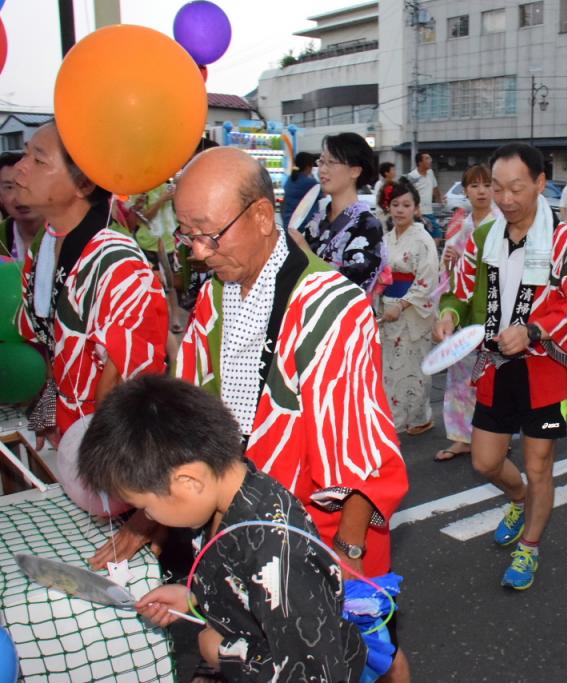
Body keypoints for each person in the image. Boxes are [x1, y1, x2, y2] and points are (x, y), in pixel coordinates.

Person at [90, 147, 411, 681]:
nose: (196, 252)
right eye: (187, 236)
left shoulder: (332, 308)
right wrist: (149, 515)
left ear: (263, 216)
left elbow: (362, 462)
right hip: (240, 528)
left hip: (321, 538)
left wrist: (344, 564)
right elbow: (186, 419)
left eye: (207, 235)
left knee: (369, 658)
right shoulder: (216, 296)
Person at [78, 375, 368, 682]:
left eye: (146, 507)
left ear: (188, 482)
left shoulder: (279, 557)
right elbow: (238, 580)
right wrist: (194, 595)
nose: (150, 516)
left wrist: (221, 652)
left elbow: (315, 674)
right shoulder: (221, 500)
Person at [435, 142, 567, 591]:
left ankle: (530, 546)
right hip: (495, 364)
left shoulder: (563, 242)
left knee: (539, 463)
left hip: (543, 368)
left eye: (516, 188)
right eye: (498, 188)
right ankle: (519, 498)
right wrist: (448, 312)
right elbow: (460, 288)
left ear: (541, 184)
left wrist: (534, 330)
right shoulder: (485, 237)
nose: (505, 199)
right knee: (486, 462)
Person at [14, 122, 168, 439]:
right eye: (25, 154)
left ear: (82, 184)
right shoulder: (45, 241)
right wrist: (47, 412)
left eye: (39, 160)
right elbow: (47, 344)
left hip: (104, 441)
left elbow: (123, 383)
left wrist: (92, 459)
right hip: (67, 427)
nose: (20, 167)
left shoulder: (117, 262)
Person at [436, 164, 498, 462]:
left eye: (487, 184)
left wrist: (469, 260)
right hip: (463, 311)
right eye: (474, 185)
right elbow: (449, 279)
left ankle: (495, 437)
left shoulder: (502, 224)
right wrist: (451, 263)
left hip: (494, 313)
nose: (482, 191)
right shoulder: (459, 227)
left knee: (493, 380)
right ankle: (461, 437)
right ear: (466, 190)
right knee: (459, 378)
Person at [378, 179, 439, 435]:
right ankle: (393, 416)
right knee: (390, 366)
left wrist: (402, 304)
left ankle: (418, 417)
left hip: (411, 310)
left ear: (416, 208)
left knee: (413, 367)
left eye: (406, 205)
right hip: (387, 308)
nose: (400, 210)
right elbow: (379, 272)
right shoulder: (386, 238)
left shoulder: (423, 239)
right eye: (395, 204)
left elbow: (427, 279)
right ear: (388, 207)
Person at [302, 133, 384, 290]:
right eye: (321, 162)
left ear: (355, 171)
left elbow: (349, 287)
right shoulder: (317, 222)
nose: (322, 170)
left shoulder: (369, 226)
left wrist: (306, 253)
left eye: (331, 162)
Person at [0, 152, 44, 261]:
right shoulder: (2, 237)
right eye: (9, 187)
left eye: (26, 184)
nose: (20, 197)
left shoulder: (65, 235)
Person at [406, 152, 442, 238]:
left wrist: (440, 200)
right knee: (419, 237)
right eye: (427, 158)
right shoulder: (412, 176)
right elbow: (407, 195)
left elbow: (435, 188)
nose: (430, 160)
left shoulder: (430, 173)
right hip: (417, 213)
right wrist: (415, 210)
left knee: (437, 234)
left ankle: (431, 251)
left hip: (429, 211)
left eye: (430, 158)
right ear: (420, 162)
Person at [280, 151, 318, 228]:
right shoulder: (310, 183)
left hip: (287, 222)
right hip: (302, 225)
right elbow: (324, 193)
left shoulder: (290, 179)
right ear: (308, 166)